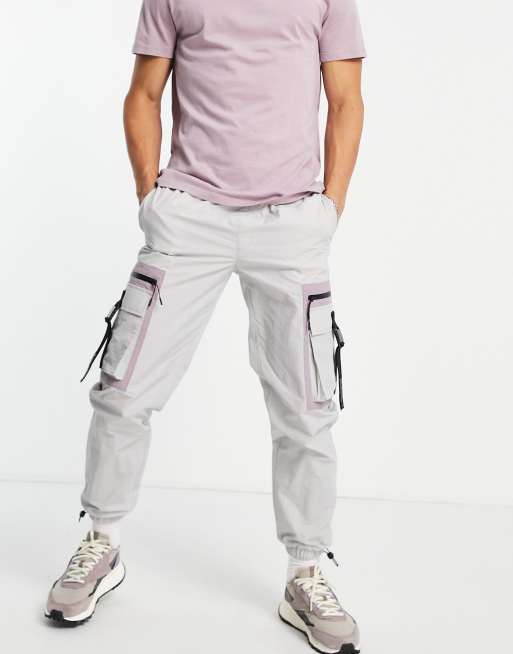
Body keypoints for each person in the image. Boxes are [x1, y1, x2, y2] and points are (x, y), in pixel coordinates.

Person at [45, 0, 366, 651]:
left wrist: (328, 208)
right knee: (124, 388)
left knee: (307, 410)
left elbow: (346, 100)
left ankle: (305, 573)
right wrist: (151, 198)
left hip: (290, 222)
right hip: (189, 215)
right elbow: (144, 93)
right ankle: (102, 542)